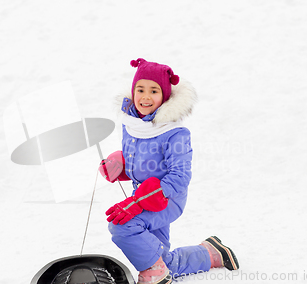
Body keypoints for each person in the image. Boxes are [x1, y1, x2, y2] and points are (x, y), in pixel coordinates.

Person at [98, 58, 239, 284]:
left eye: (153, 91)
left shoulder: (175, 133)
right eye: (140, 89)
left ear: (164, 96)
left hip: (167, 198)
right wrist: (120, 166)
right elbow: (141, 161)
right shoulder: (131, 124)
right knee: (161, 259)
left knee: (122, 225)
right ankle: (211, 253)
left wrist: (138, 202)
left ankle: (155, 271)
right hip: (143, 195)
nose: (145, 97)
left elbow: (180, 177)